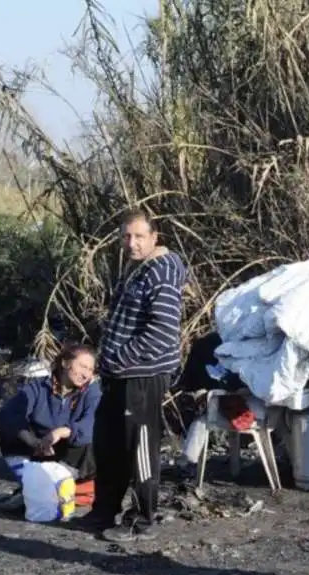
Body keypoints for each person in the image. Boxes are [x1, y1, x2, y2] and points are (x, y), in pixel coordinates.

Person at [88, 209, 186, 542]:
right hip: (120, 375)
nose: (132, 243)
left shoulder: (161, 273)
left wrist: (119, 359)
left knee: (140, 448)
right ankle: (104, 510)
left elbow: (161, 332)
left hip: (142, 376)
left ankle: (141, 520)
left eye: (139, 236)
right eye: (126, 236)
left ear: (154, 238)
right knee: (108, 442)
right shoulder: (136, 269)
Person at [0, 342, 100, 511]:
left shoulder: (92, 392)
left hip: (71, 459)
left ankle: (47, 487)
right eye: (82, 366)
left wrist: (62, 432)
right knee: (8, 427)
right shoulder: (38, 387)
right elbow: (7, 414)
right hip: (41, 452)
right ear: (65, 363)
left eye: (90, 369)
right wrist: (33, 442)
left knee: (89, 438)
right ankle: (31, 483)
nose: (86, 374)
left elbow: (90, 425)